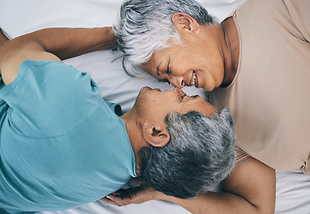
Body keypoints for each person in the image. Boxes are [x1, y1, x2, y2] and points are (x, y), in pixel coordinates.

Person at [111, 0, 310, 213]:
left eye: (168, 69)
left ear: (185, 24)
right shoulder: (217, 121)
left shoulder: (278, 8)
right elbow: (255, 209)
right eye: (165, 80)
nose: (177, 84)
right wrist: (164, 192)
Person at [0, 27, 236, 213]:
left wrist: (117, 36)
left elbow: (12, 50)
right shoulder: (115, 180)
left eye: (183, 99)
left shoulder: (76, 106)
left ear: (155, 132)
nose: (176, 88)